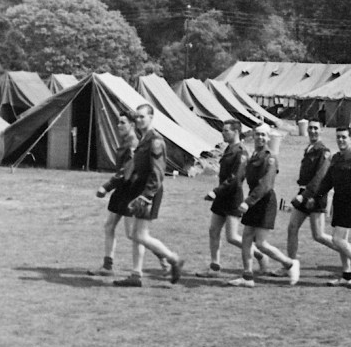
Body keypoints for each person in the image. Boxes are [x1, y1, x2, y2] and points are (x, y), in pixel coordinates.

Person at [113, 104, 185, 287]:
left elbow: (158, 172)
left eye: (142, 117)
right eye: (136, 117)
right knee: (137, 234)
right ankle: (136, 274)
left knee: (141, 235)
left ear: (151, 118)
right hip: (140, 189)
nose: (138, 120)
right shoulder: (143, 139)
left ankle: (173, 259)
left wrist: (146, 196)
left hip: (149, 191)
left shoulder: (155, 141)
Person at [228, 125, 300, 288]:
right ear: (253, 136)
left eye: (263, 135)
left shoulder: (270, 157)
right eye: (257, 134)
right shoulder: (253, 155)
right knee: (246, 238)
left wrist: (248, 202)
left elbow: (266, 184)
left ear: (268, 138)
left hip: (265, 201)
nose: (260, 137)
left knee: (261, 243)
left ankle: (289, 263)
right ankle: (247, 277)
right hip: (254, 200)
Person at [198, 119, 266, 277]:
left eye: (226, 130)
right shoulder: (229, 148)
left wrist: (215, 191)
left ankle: (259, 254)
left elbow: (235, 178)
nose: (223, 133)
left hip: (233, 197)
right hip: (222, 196)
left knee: (232, 237)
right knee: (213, 230)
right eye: (223, 130)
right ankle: (214, 267)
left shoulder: (241, 152)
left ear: (236, 132)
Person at [313, 127, 351, 287]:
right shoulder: (336, 158)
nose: (340, 140)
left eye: (344, 137)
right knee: (341, 241)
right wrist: (316, 197)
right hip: (338, 202)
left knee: (337, 239)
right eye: (338, 137)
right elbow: (328, 181)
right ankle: (346, 274)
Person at [279, 119, 338, 274]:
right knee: (292, 228)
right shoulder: (309, 149)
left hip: (315, 196)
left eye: (316, 128)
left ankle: (349, 255)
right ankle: (290, 265)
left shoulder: (323, 151)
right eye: (310, 128)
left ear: (321, 130)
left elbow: (320, 177)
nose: (312, 131)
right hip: (303, 194)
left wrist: (304, 195)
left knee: (318, 235)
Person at [88, 110, 139, 276]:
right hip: (121, 190)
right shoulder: (125, 141)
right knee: (109, 225)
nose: (118, 125)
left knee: (133, 234)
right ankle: (107, 266)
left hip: (130, 191)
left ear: (132, 125)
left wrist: (107, 186)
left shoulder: (133, 143)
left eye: (123, 122)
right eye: (118, 122)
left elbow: (126, 171)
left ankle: (164, 257)